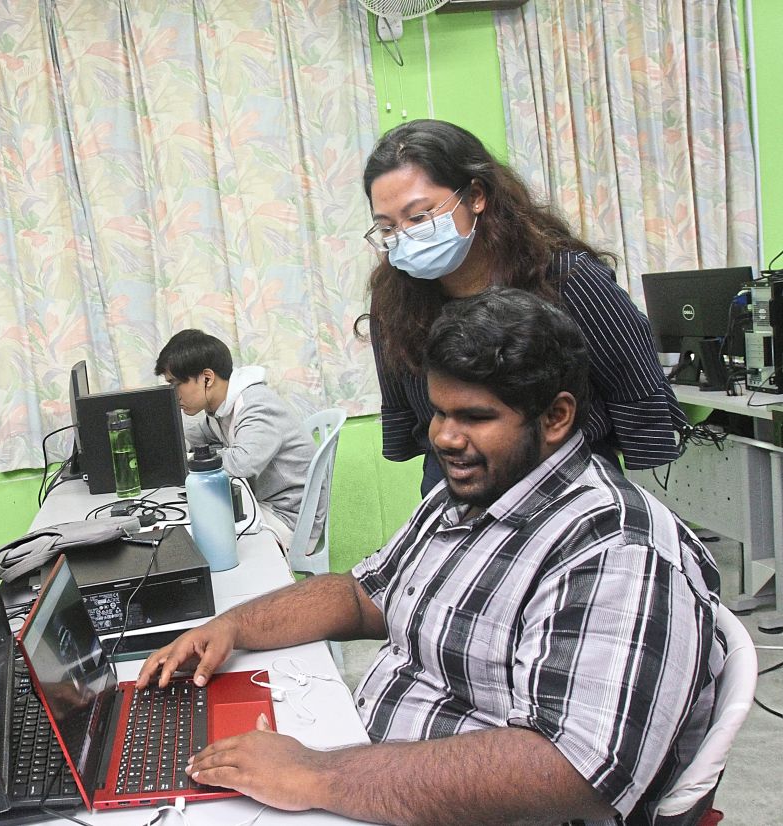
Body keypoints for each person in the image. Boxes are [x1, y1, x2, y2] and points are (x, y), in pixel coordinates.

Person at [138, 289, 723, 825]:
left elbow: (573, 771)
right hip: (373, 773)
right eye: (441, 412)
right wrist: (232, 626)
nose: (443, 437)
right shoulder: (470, 493)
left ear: (556, 417)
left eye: (474, 417)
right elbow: (361, 593)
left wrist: (315, 774)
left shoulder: (616, 550)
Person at [357, 119, 687, 494]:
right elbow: (405, 401)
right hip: (458, 476)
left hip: (565, 474)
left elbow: (632, 375)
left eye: (419, 217)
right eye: (387, 227)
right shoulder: (394, 299)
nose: (404, 236)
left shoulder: (565, 276)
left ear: (476, 195)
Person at [155, 329, 324, 551]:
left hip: (289, 519)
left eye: (176, 384)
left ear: (207, 378)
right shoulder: (220, 408)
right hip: (263, 505)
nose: (173, 393)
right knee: (188, 521)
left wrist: (185, 460)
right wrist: (168, 447)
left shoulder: (256, 405)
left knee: (189, 536)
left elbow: (242, 464)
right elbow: (195, 437)